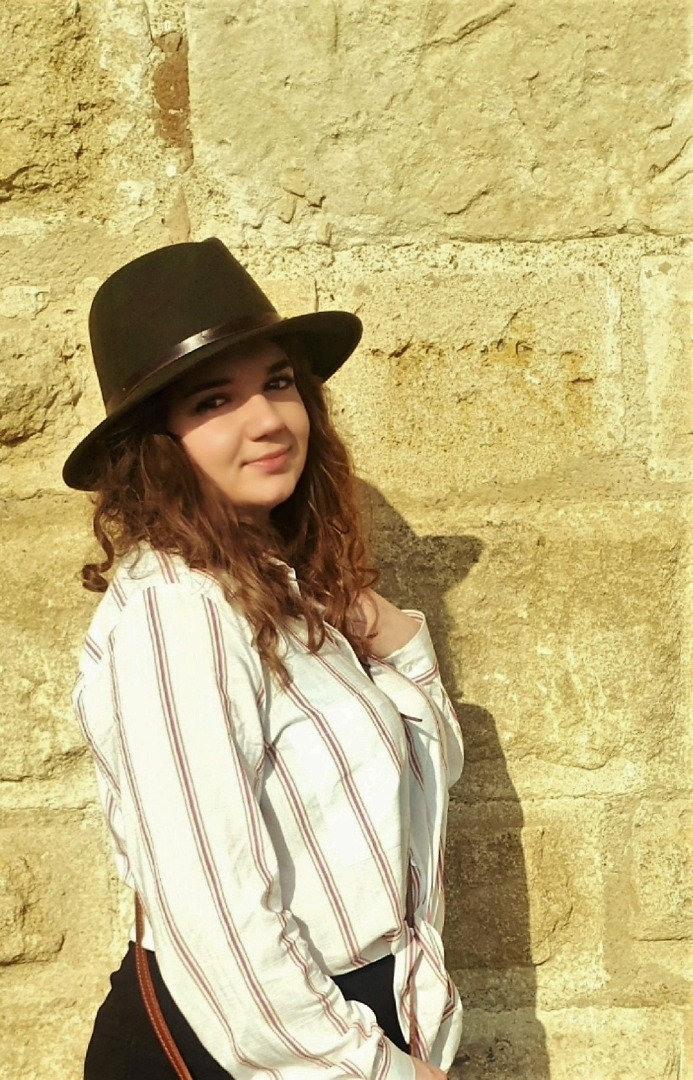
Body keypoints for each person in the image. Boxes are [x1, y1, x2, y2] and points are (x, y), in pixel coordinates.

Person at [63, 239, 464, 1080]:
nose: (268, 420)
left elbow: (424, 785)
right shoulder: (179, 612)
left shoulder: (277, 586)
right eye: (214, 400)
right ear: (156, 443)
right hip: (262, 1045)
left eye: (278, 383)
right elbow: (213, 905)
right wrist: (369, 1070)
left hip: (343, 1020)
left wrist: (395, 638)